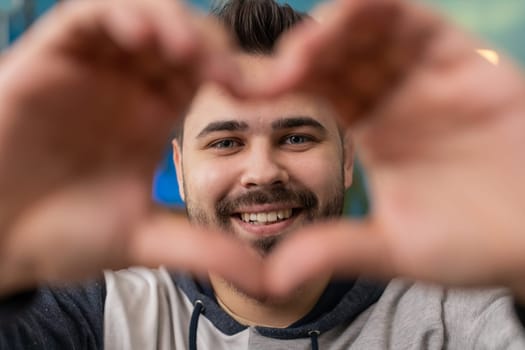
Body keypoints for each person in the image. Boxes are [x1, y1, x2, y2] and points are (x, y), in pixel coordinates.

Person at [0, 0, 525, 349]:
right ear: (181, 171)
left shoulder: (458, 314)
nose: (262, 171)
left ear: (345, 161)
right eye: (226, 142)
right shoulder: (98, 313)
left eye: (297, 138)